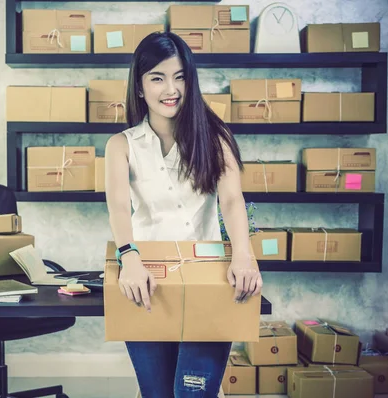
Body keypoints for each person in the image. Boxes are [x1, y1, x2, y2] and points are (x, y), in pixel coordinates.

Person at [104, 32, 264, 398]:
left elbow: (232, 200)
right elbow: (117, 206)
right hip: (146, 281)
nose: (170, 88)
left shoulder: (214, 137)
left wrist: (243, 254)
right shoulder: (121, 145)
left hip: (207, 280)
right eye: (157, 78)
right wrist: (128, 257)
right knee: (157, 394)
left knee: (193, 393)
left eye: (179, 77)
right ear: (140, 87)